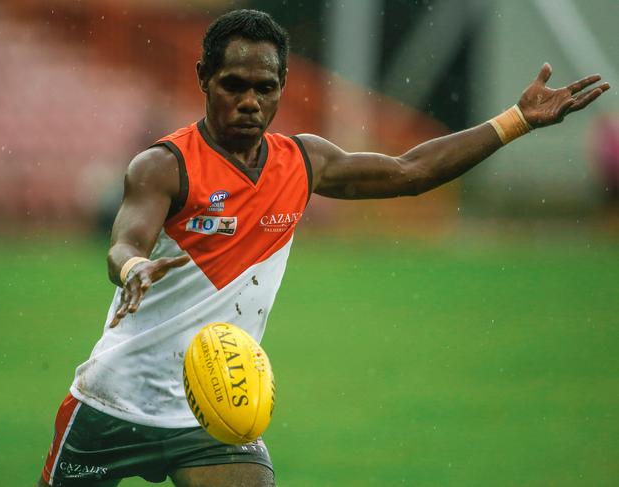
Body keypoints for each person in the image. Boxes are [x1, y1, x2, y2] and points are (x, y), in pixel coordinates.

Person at [38, 8, 609, 487]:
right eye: (233, 84)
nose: (250, 101)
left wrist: (515, 121)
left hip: (212, 406)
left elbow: (410, 171)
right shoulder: (165, 166)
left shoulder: (303, 162)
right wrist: (133, 266)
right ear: (203, 78)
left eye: (265, 88)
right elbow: (125, 241)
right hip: (113, 403)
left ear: (282, 87)